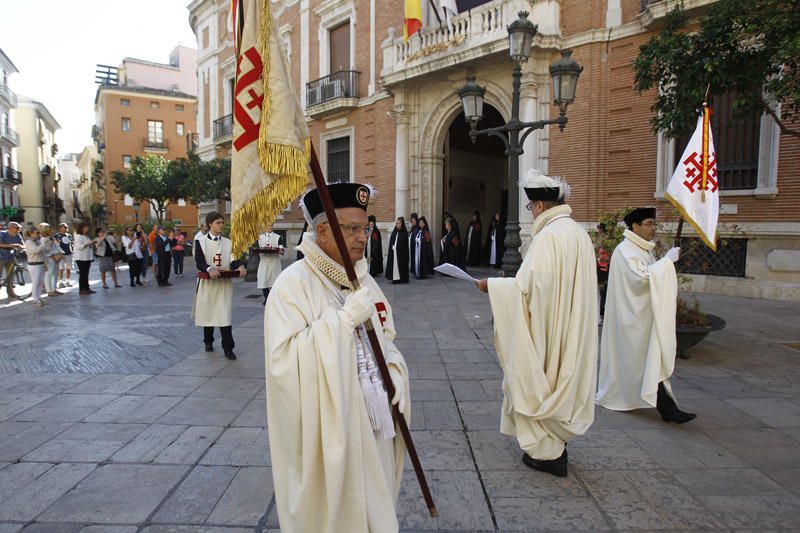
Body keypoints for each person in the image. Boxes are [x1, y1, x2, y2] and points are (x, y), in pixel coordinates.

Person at [265, 183, 409, 533]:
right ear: (323, 230)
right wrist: (343, 322)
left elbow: (386, 340)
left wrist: (395, 372)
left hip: (376, 425)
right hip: (333, 430)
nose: (364, 237)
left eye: (366, 228)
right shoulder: (292, 285)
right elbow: (285, 366)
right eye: (353, 229)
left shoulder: (363, 281)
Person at [475, 174, 598, 478]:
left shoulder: (548, 237)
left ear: (540, 205)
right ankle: (557, 443)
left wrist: (492, 286)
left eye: (531, 206)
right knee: (560, 377)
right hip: (570, 325)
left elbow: (527, 289)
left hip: (547, 328)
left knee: (540, 380)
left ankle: (548, 455)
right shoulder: (578, 233)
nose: (531, 211)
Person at [596, 207, 695, 424]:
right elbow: (641, 280)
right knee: (643, 361)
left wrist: (665, 264)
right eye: (649, 223)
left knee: (647, 361)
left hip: (643, 317)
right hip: (631, 321)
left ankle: (667, 409)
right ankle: (668, 410)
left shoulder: (642, 250)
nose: (653, 228)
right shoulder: (625, 251)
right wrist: (668, 262)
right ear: (635, 226)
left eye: (654, 224)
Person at [192, 211, 246, 360]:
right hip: (208, 285)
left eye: (222, 222)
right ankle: (208, 341)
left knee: (224, 315)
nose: (221, 225)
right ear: (210, 224)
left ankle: (228, 348)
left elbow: (234, 260)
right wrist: (210, 269)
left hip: (223, 285)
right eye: (218, 223)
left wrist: (240, 267)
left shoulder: (228, 242)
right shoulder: (200, 242)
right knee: (209, 314)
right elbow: (199, 262)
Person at [256, 224, 283, 305]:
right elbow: (256, 248)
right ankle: (266, 298)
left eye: (271, 225)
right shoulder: (259, 238)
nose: (269, 227)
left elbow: (281, 249)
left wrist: (280, 251)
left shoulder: (278, 237)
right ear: (264, 227)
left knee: (273, 281)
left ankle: (273, 298)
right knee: (263, 281)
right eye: (267, 226)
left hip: (274, 262)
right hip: (264, 262)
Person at [0, 221, 25, 299]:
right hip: (1, 257)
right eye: (16, 228)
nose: (18, 229)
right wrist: (11, 245)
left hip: (11, 257)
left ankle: (10, 293)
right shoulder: (2, 234)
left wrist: (21, 247)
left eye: (19, 228)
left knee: (10, 276)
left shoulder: (18, 235)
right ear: (10, 228)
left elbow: (23, 244)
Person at [23, 227, 47, 306]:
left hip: (41, 263)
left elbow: (43, 252)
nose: (38, 235)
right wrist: (43, 244)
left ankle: (39, 296)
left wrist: (45, 263)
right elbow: (35, 250)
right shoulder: (28, 242)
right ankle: (35, 299)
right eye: (37, 233)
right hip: (34, 264)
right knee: (35, 282)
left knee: (40, 282)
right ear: (31, 233)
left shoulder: (38, 241)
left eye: (38, 233)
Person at [39, 223, 63, 297]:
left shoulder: (51, 238)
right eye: (50, 230)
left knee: (55, 274)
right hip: (49, 258)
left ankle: (54, 289)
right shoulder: (43, 239)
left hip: (56, 257)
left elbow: (57, 246)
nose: (52, 231)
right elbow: (44, 250)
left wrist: (60, 253)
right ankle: (49, 290)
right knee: (49, 274)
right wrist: (51, 255)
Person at [74, 223, 96, 295]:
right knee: (83, 274)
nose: (87, 228)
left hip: (87, 258)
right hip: (81, 258)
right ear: (81, 228)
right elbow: (80, 247)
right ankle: (82, 289)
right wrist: (90, 243)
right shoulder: (79, 237)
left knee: (86, 274)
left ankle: (87, 288)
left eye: (87, 227)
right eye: (85, 227)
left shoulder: (86, 236)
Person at [385, 216, 409, 284]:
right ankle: (394, 278)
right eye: (396, 223)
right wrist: (393, 247)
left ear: (402, 224)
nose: (397, 224)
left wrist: (398, 248)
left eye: (399, 223)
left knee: (400, 266)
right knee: (394, 266)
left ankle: (401, 278)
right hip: (394, 253)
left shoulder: (404, 233)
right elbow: (392, 241)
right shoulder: (394, 232)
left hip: (401, 255)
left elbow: (404, 245)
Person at [595, 223, 611, 324]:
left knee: (604, 293)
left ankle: (603, 316)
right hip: (600, 269)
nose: (598, 233)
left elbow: (606, 256)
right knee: (602, 294)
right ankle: (601, 315)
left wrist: (600, 258)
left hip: (605, 270)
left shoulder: (607, 242)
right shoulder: (600, 241)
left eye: (599, 230)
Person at [54, 223, 74, 288]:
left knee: (69, 268)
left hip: (69, 253)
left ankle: (68, 281)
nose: (65, 228)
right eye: (63, 227)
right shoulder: (57, 235)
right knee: (61, 268)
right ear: (60, 228)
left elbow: (71, 243)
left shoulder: (69, 235)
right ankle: (60, 282)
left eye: (66, 227)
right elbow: (55, 244)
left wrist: (72, 249)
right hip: (61, 254)